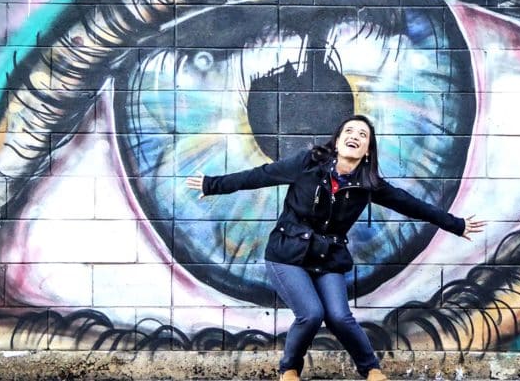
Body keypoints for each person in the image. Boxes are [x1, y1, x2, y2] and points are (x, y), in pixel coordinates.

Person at [186, 115, 486, 381]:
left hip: (327, 258)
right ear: (338, 140)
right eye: (349, 132)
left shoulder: (369, 184)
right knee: (312, 314)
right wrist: (212, 185)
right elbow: (261, 175)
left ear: (367, 149)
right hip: (287, 253)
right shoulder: (308, 164)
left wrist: (455, 225)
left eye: (362, 135)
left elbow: (411, 204)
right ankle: (289, 370)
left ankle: (371, 370)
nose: (355, 136)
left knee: (340, 317)